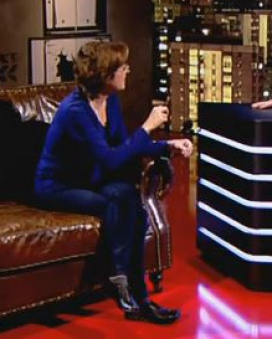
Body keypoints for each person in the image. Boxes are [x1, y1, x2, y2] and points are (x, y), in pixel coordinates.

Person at [34, 41, 193, 325]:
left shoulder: (110, 101)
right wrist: (147, 127)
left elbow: (123, 148)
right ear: (105, 73)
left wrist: (166, 146)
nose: (127, 70)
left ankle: (139, 299)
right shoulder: (75, 111)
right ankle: (121, 282)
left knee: (131, 201)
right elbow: (109, 160)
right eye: (122, 67)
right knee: (118, 203)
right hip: (58, 187)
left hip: (90, 180)